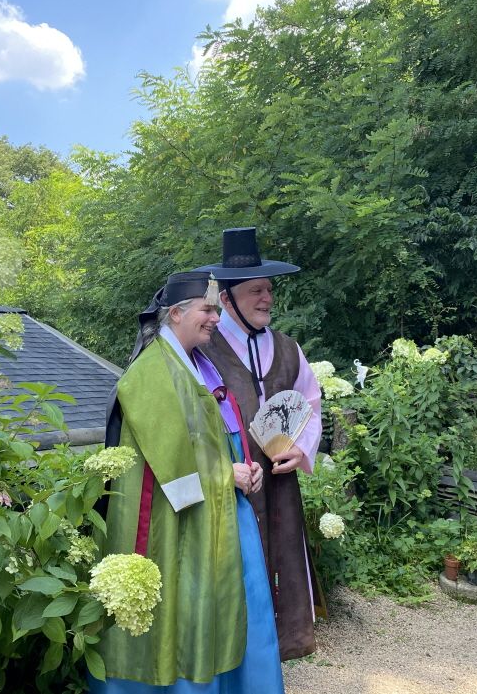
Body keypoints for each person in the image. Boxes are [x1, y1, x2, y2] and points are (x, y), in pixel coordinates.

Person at [91, 271, 284, 693]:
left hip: (214, 513)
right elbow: (167, 456)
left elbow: (211, 437)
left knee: (230, 610)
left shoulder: (196, 364)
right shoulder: (151, 372)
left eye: (217, 308)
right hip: (177, 522)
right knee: (185, 614)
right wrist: (222, 476)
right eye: (207, 309)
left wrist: (243, 466)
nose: (216, 318)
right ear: (176, 314)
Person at [195, 227, 323, 661]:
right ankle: (239, 648)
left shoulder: (288, 349)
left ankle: (289, 639)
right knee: (237, 560)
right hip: (231, 481)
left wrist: (301, 448)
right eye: (256, 291)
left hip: (281, 479)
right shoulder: (203, 350)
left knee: (285, 552)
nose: (267, 298)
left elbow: (311, 403)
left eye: (268, 289)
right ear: (227, 298)